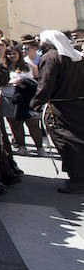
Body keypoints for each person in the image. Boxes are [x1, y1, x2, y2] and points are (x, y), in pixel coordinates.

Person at [31, 30, 84, 194]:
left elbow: (45, 84)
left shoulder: (51, 57)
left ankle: (77, 178)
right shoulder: (76, 56)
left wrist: (35, 104)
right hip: (78, 106)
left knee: (66, 142)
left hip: (60, 110)